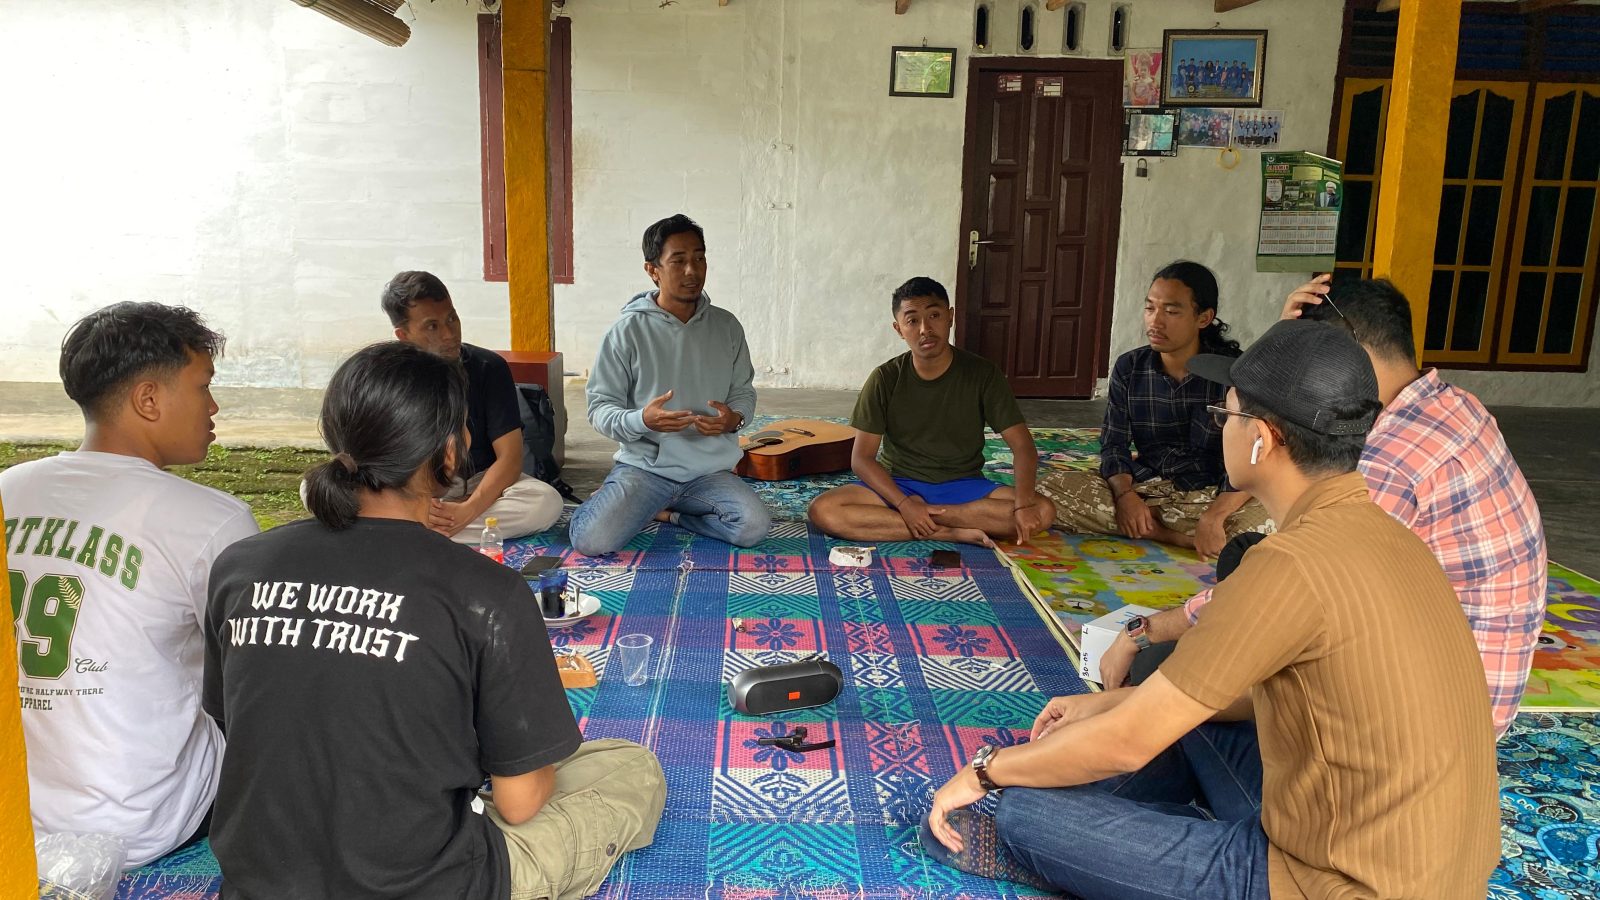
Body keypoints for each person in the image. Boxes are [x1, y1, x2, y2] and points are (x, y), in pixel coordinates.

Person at [920, 319, 1499, 899]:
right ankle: (1112, 833)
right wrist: (1110, 704)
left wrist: (986, 769)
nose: (1222, 429)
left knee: (1024, 813)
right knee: (1184, 716)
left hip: (1332, 884)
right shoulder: (1393, 536)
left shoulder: (1288, 563)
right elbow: (1266, 697)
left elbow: (1129, 743)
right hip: (1423, 865)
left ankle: (1076, 847)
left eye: (1227, 415)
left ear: (1262, 439)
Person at [204, 341, 665, 899]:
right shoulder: (486, 595)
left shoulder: (239, 568)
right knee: (629, 767)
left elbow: (242, 722)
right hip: (430, 881)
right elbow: (520, 804)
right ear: (448, 452)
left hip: (263, 878)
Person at [1099, 276, 1548, 737]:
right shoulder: (1448, 404)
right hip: (1439, 671)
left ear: (1343, 360)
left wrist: (1146, 633)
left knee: (1163, 673)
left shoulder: (1386, 460)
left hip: (1420, 722)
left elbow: (1286, 590)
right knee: (1244, 561)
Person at [1, 302, 258, 867]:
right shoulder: (211, 521)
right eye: (203, 386)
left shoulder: (7, 491)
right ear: (148, 399)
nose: (213, 406)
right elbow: (253, 682)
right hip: (147, 826)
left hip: (16, 815)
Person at [569, 214, 771, 556]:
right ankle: (616, 498)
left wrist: (734, 419)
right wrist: (642, 420)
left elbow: (743, 391)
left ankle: (667, 515)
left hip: (709, 472)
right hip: (645, 470)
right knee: (591, 540)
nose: (692, 270)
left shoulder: (727, 327)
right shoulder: (626, 332)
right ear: (653, 270)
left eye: (699, 258)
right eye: (678, 261)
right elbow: (600, 409)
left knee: (753, 527)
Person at [1037, 261, 1267, 559]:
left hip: (1213, 494)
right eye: (1150, 308)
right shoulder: (1130, 368)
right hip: (1148, 488)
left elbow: (1255, 459)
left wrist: (1215, 516)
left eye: (1171, 311)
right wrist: (1125, 497)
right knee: (1047, 491)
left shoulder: (1234, 374)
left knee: (1267, 521)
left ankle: (1160, 528)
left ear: (1204, 318)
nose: (1155, 322)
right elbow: (1114, 444)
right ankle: (1170, 532)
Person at [806, 277, 1055, 548]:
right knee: (823, 510)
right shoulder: (885, 378)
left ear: (950, 317)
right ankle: (947, 532)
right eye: (912, 321)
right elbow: (862, 459)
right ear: (899, 329)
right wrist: (904, 503)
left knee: (1042, 511)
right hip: (899, 484)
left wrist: (1023, 506)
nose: (925, 329)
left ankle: (928, 520)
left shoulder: (983, 374)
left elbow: (1023, 447)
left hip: (963, 486)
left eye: (934, 316)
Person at [381, 270, 562, 544]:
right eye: (432, 326)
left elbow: (510, 457)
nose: (449, 334)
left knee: (545, 502)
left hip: (477, 482)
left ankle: (415, 533)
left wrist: (469, 509)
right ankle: (427, 528)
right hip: (412, 486)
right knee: (334, 494)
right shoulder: (386, 375)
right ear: (403, 335)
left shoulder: (488, 367)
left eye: (452, 318)